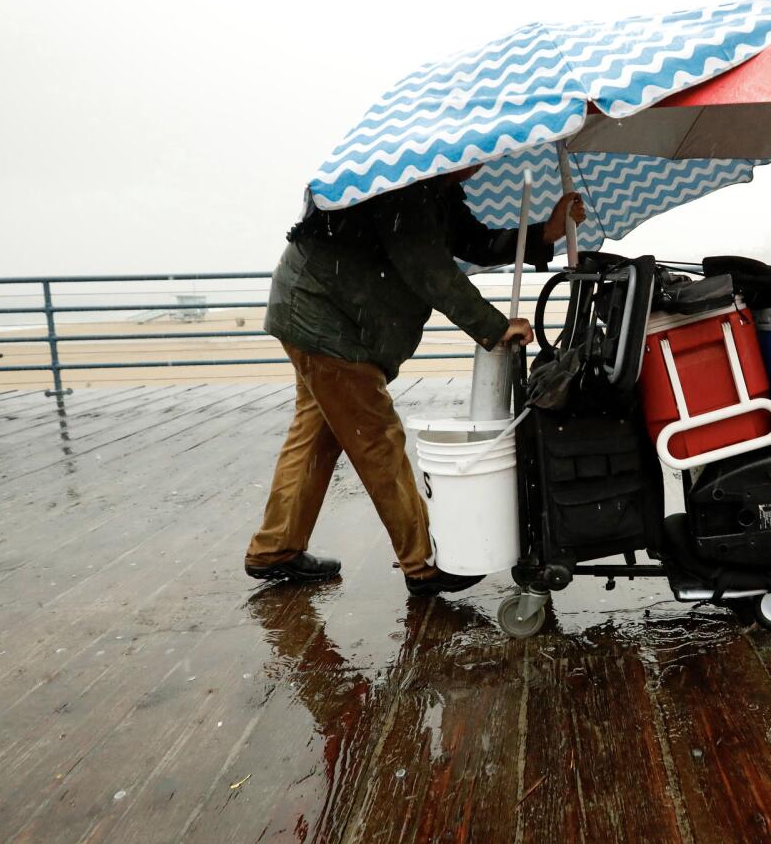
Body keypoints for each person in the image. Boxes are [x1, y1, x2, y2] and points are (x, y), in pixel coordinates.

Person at [245, 166, 587, 596]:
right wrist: (493, 325)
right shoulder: (401, 185)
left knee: (317, 435)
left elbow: (475, 243)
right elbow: (428, 268)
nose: (480, 162)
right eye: (475, 153)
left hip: (318, 314)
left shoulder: (436, 188)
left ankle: (276, 548)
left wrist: (547, 231)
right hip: (328, 323)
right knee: (377, 441)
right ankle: (423, 562)